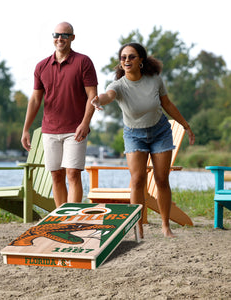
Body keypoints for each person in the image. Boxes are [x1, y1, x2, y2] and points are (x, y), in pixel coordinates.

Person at [91, 43, 195, 238]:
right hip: (134, 135)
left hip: (160, 132)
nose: (127, 60)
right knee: (137, 180)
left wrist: (185, 125)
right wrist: (98, 100)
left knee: (161, 179)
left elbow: (167, 104)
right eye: (123, 58)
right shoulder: (118, 85)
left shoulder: (154, 80)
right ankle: (137, 227)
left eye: (131, 57)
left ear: (140, 60)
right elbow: (108, 96)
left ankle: (165, 226)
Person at [21, 22, 98, 208]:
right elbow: (35, 100)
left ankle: (72, 218)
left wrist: (85, 123)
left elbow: (92, 96)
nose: (60, 38)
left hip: (75, 129)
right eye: (56, 34)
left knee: (72, 173)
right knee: (56, 175)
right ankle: (61, 219)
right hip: (50, 130)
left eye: (65, 35)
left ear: (72, 37)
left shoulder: (83, 62)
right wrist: (25, 130)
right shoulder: (42, 66)